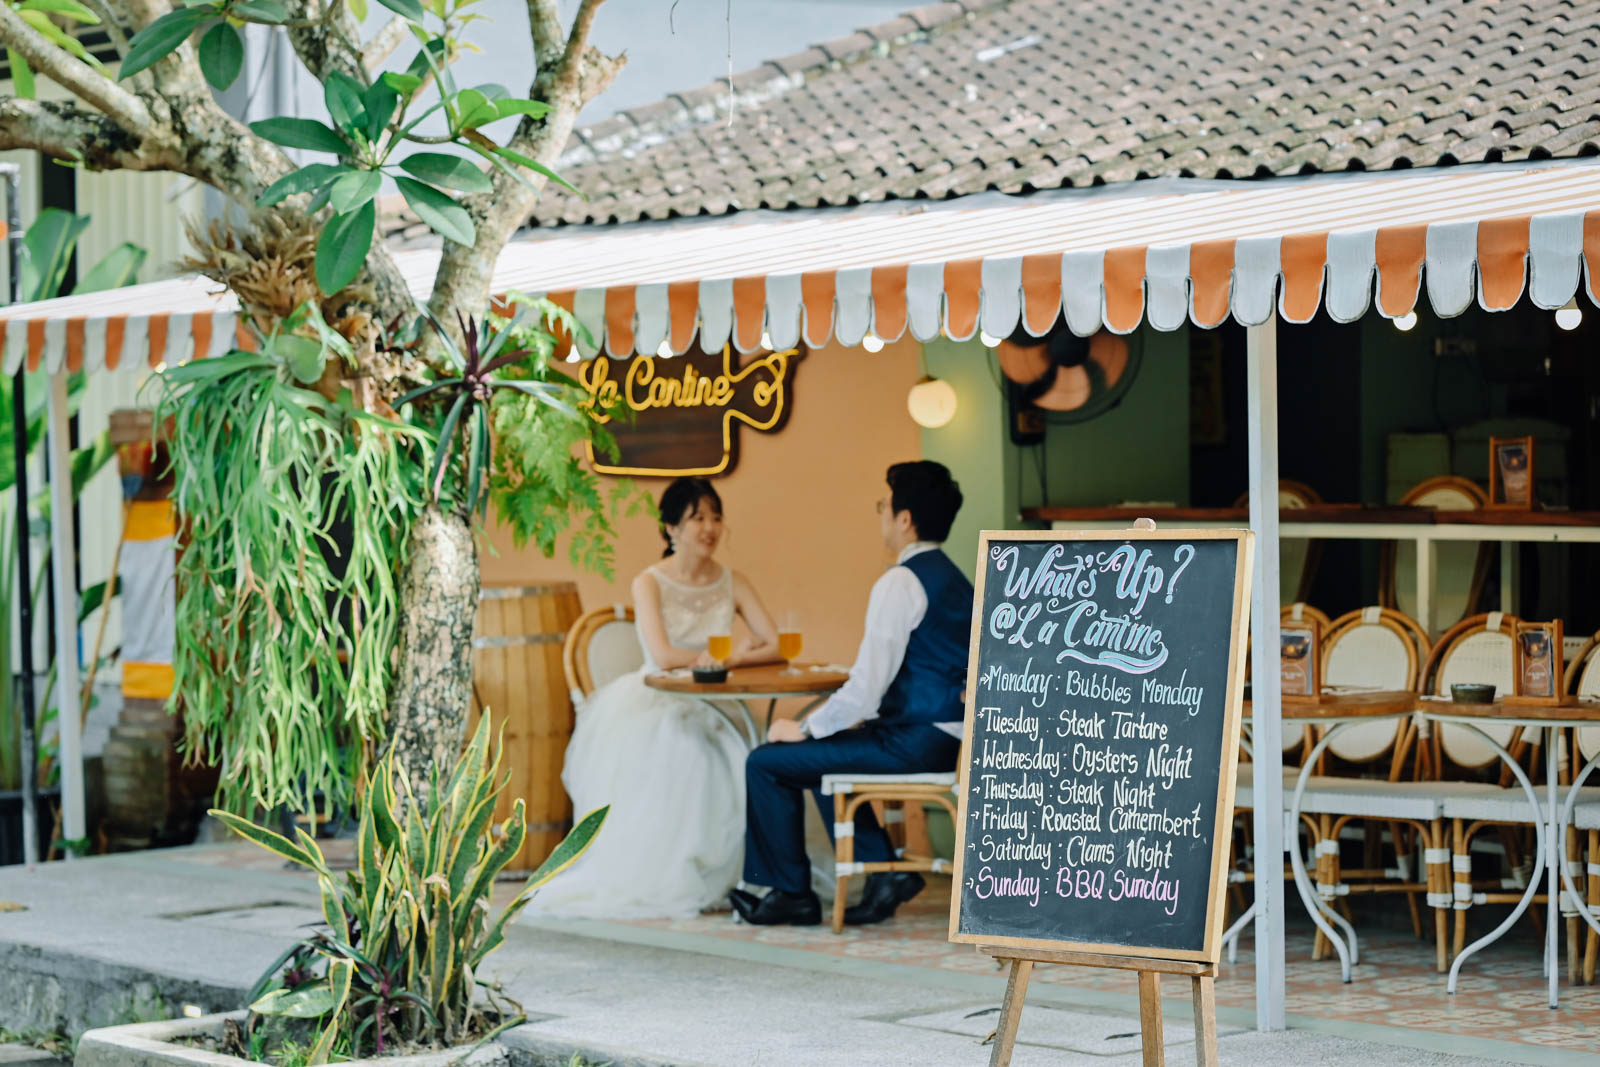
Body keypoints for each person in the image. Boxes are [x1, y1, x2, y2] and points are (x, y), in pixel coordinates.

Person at [732, 461, 971, 926]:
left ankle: (790, 894)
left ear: (904, 519)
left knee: (766, 761)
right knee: (829, 750)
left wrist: (801, 727)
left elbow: (865, 690)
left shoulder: (900, 582)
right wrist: (824, 729)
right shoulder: (955, 578)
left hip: (915, 742)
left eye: (884, 505)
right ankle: (883, 872)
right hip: (949, 738)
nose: (881, 513)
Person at [531, 477, 781, 919]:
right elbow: (664, 655)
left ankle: (753, 878)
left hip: (718, 702)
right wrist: (726, 657)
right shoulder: (649, 582)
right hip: (658, 702)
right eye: (697, 518)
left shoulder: (731, 580)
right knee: (692, 757)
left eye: (716, 517)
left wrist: (733, 661)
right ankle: (688, 876)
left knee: (753, 752)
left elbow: (775, 643)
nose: (709, 527)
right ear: (671, 528)